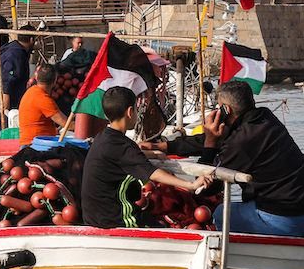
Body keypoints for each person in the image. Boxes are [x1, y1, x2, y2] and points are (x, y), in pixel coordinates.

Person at [194, 80, 304, 238]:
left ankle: (234, 258)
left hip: (288, 222)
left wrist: (210, 143)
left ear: (225, 110)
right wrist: (167, 147)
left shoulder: (241, 141)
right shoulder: (266, 117)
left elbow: (206, 188)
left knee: (220, 214)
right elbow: (221, 140)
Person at [81, 86, 212, 229]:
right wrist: (190, 185)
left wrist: (151, 153)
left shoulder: (103, 138)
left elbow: (124, 155)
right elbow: (153, 173)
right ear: (130, 112)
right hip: (114, 218)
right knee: (164, 228)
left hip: (93, 216)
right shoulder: (122, 145)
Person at [0, 27, 35, 123]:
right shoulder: (16, 54)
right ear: (31, 40)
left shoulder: (17, 50)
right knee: (5, 123)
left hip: (5, 94)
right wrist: (5, 101)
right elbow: (7, 78)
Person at [18, 64, 68, 144]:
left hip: (33, 143)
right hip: (35, 145)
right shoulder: (43, 98)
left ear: (37, 78)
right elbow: (65, 123)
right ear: (55, 81)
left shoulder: (31, 92)